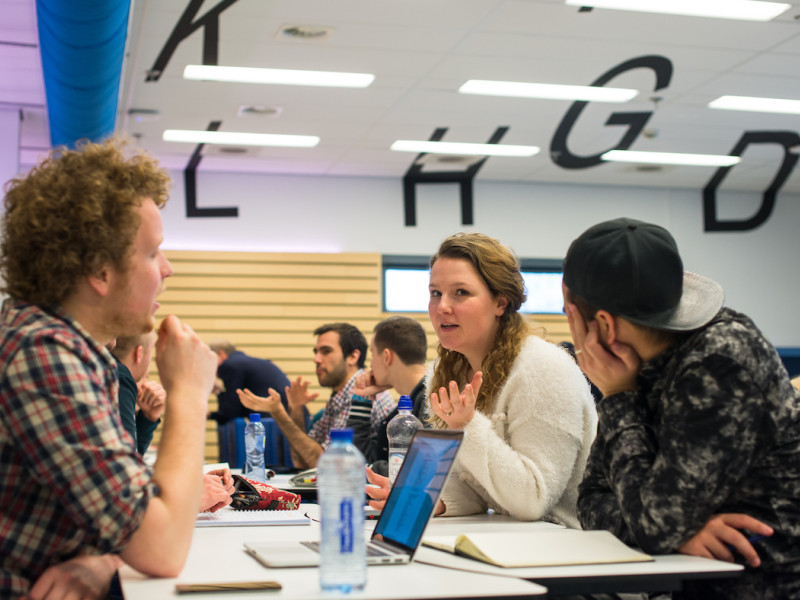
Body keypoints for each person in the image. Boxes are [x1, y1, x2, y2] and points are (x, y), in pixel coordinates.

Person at [0, 140, 219, 597]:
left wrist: (104, 560)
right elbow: (162, 549)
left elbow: (117, 511)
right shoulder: (43, 354)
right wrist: (189, 394)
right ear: (100, 272)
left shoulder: (81, 353)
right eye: (152, 252)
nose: (168, 269)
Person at [563, 217, 800, 599]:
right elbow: (591, 499)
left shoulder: (721, 361)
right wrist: (679, 534)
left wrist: (620, 397)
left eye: (568, 313)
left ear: (603, 324)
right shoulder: (627, 368)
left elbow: (655, 524)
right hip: (695, 581)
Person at [366, 233, 597, 527]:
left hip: (568, 547)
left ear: (500, 303)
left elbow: (533, 501)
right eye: (435, 293)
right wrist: (423, 498)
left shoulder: (543, 368)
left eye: (460, 292)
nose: (442, 306)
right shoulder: (444, 372)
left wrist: (468, 425)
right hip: (510, 541)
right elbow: (473, 492)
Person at [238, 323, 394, 469]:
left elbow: (325, 464)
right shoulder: (339, 395)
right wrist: (297, 409)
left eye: (326, 351)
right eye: (316, 352)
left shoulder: (363, 393)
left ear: (353, 356)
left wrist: (279, 414)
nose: (316, 359)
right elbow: (301, 461)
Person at [354, 315, 429, 472]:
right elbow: (364, 458)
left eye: (373, 354)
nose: (371, 364)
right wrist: (361, 398)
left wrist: (369, 469)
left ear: (387, 357)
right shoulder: (410, 403)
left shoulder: (430, 401)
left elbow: (416, 470)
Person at [207, 340, 296, 425]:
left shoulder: (229, 365)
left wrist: (210, 414)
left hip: (275, 426)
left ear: (221, 354)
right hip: (291, 419)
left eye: (210, 360)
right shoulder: (243, 362)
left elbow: (230, 412)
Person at [111, 332, 165, 455]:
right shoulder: (120, 377)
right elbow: (127, 463)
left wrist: (148, 418)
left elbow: (131, 456)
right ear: (139, 354)